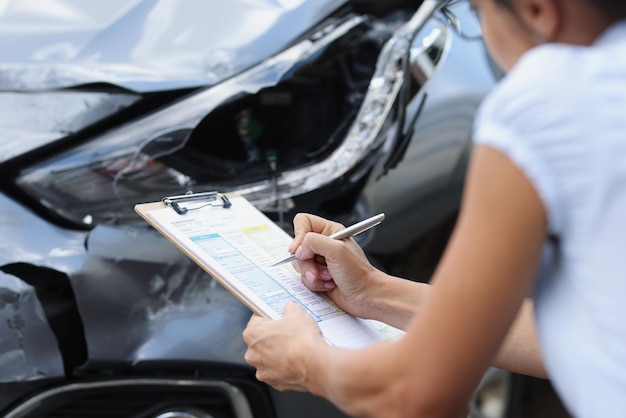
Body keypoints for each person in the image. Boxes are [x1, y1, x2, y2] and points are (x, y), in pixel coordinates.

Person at [242, 0, 626, 416]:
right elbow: (590, 327)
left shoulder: (552, 95)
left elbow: (415, 395)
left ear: (537, 10)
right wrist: (374, 291)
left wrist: (303, 361)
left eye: (479, 14)